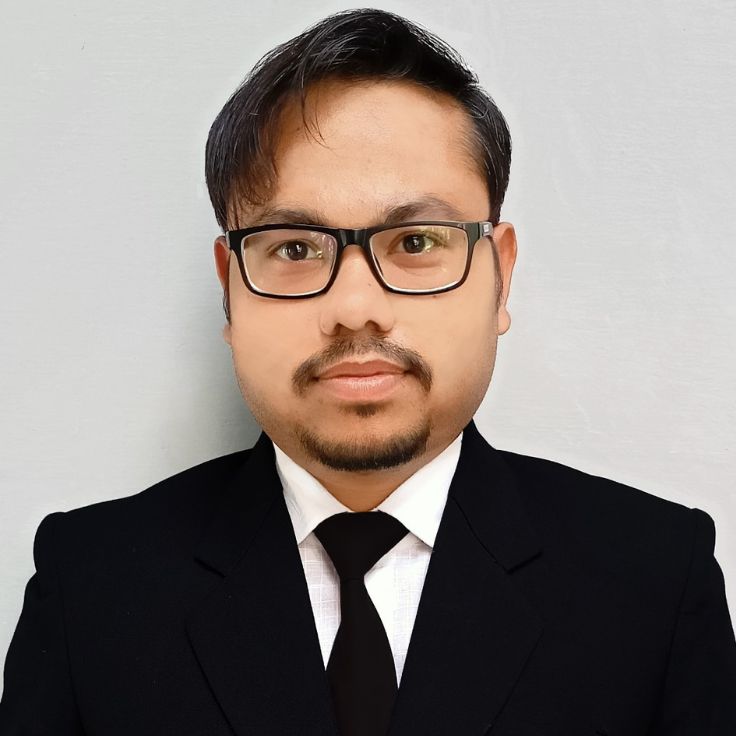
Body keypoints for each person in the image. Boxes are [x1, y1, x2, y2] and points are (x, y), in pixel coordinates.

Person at [1, 7, 735, 735]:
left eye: (416, 241)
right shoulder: (90, 587)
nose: (355, 308)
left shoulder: (654, 580)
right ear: (229, 286)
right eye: (294, 248)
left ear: (501, 277)